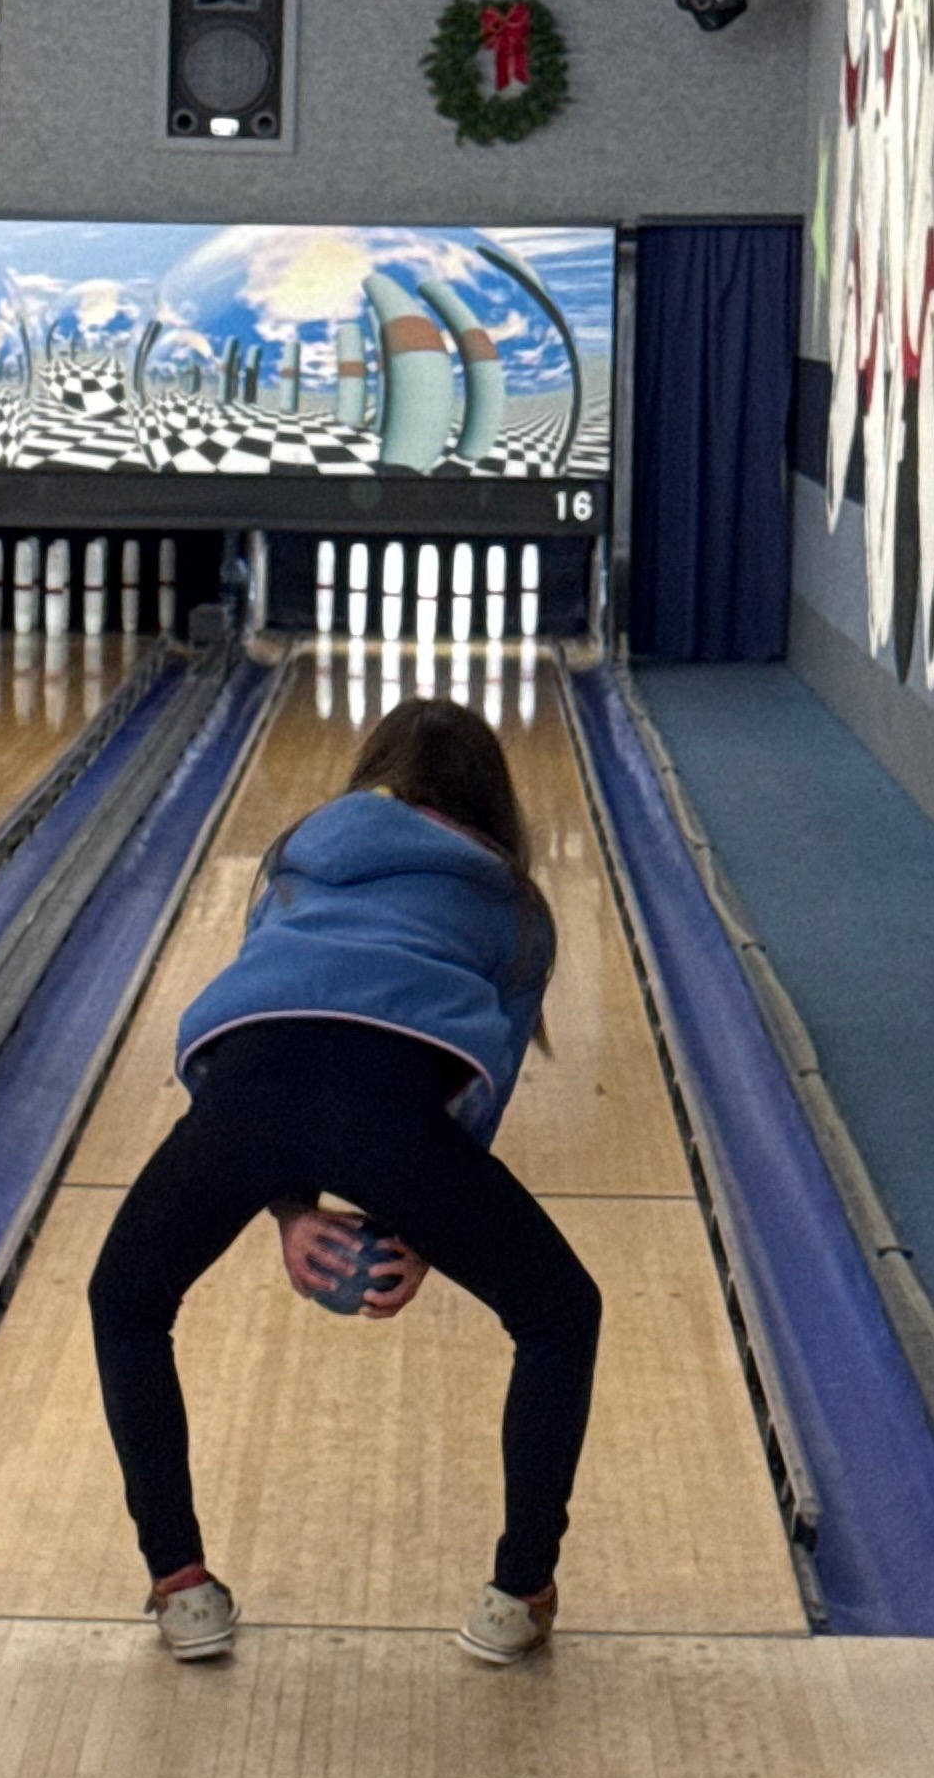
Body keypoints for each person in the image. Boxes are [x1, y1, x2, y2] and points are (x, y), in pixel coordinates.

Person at [87, 695, 603, 1666]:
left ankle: (179, 1585)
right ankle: (517, 1589)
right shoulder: (511, 901)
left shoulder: (297, 849)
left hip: (246, 1088)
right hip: (391, 1102)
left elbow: (269, 999)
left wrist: (285, 1204)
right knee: (556, 1311)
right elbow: (475, 1082)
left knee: (126, 1297)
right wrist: (418, 1223)